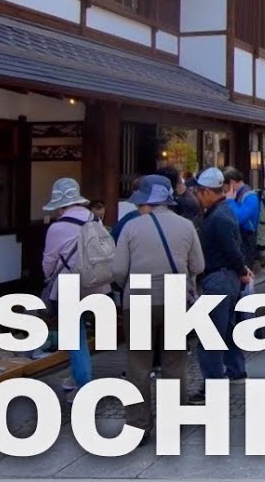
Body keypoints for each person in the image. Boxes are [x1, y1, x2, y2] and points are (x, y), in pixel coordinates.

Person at [111, 175, 204, 438]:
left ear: (147, 201)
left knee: (138, 365)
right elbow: (198, 266)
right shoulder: (186, 226)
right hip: (175, 295)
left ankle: (138, 425)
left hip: (139, 296)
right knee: (175, 362)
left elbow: (117, 270)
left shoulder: (131, 228)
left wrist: (128, 284)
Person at [40, 178, 108, 400]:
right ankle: (76, 374)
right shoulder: (94, 219)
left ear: (61, 205)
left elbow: (48, 262)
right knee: (82, 330)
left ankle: (83, 384)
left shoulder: (57, 228)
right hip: (97, 283)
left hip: (70, 285)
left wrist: (48, 278)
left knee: (74, 335)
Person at [189, 167, 252, 400]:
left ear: (207, 192)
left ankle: (213, 385)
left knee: (210, 334)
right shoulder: (222, 212)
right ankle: (236, 371)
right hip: (227, 278)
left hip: (219, 278)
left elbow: (233, 250)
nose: (196, 196)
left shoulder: (218, 216)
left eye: (198, 192)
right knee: (226, 329)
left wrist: (242, 269)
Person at [222, 167, 260, 267]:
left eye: (224, 186)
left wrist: (230, 201)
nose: (223, 189)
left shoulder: (250, 196)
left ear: (231, 183)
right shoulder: (237, 195)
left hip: (247, 238)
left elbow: (239, 219)